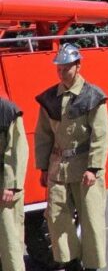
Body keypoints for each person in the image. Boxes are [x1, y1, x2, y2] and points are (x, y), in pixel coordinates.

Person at [34, 43, 108, 271]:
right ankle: (71, 263)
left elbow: (101, 135)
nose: (61, 72)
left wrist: (94, 168)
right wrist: (43, 168)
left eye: (66, 67)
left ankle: (93, 266)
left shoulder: (93, 96)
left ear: (78, 66)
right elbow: (43, 135)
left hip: (85, 168)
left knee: (91, 220)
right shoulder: (49, 98)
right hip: (58, 168)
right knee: (57, 218)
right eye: (59, 68)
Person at [1, 94, 27, 271]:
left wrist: (11, 185)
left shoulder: (7, 111)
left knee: (9, 238)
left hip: (3, 183)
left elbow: (17, 150)